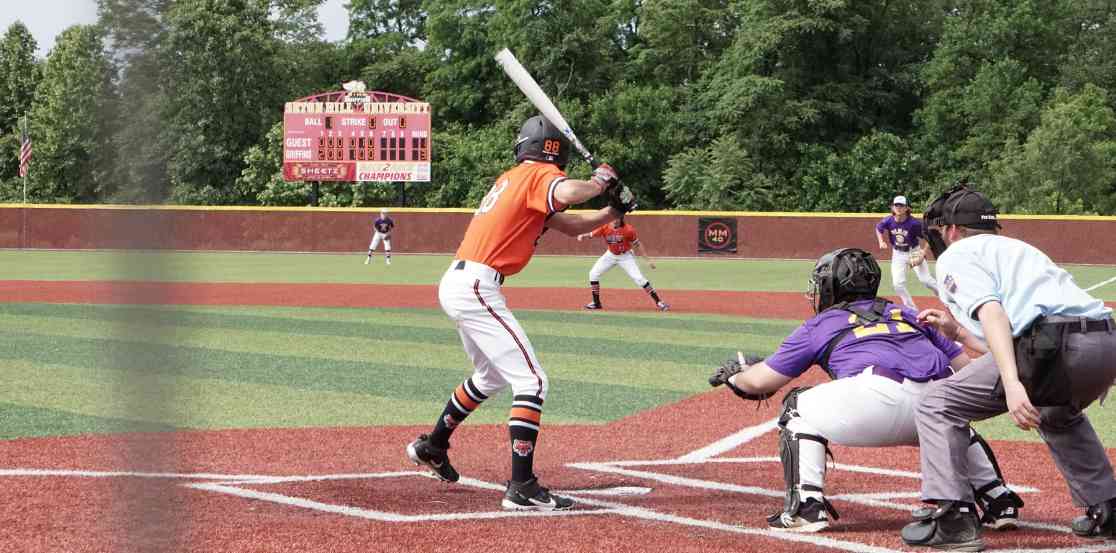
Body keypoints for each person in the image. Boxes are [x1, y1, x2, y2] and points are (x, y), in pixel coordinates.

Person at [405, 115, 636, 511]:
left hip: (463, 282)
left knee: (489, 376)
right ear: (553, 151)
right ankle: (522, 486)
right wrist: (599, 182)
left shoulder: (515, 179)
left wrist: (613, 209)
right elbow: (569, 191)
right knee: (532, 382)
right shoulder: (537, 175)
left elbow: (569, 223)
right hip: (477, 285)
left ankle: (433, 445)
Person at [708, 248, 1024, 534]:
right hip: (934, 406)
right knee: (948, 410)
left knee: (796, 406)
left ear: (831, 287)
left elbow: (760, 383)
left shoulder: (820, 324)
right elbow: (968, 368)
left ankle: (806, 507)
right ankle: (998, 499)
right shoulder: (909, 314)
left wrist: (734, 379)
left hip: (876, 401)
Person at [896, 184, 1116, 551]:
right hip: (1104, 343)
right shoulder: (1021, 249)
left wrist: (1013, 385)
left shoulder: (958, 252)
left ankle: (954, 519)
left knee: (937, 402)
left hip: (1056, 349)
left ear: (951, 230)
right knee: (1056, 411)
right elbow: (1014, 344)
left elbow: (995, 315)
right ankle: (1108, 508)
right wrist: (960, 333)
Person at [576, 216, 668, 311]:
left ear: (621, 219)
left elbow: (638, 244)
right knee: (593, 274)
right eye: (612, 218)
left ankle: (659, 302)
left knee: (639, 279)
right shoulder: (605, 227)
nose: (614, 220)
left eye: (617, 218)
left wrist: (648, 260)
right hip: (610, 255)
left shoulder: (628, 230)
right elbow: (592, 234)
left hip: (625, 257)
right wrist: (583, 236)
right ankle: (596, 303)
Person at [875, 195, 937, 309]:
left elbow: (930, 238)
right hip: (898, 254)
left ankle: (947, 297)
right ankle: (912, 309)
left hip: (914, 251)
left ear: (907, 208)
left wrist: (923, 253)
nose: (898, 207)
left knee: (926, 280)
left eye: (901, 205)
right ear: (892, 207)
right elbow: (878, 228)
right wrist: (881, 241)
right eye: (896, 205)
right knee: (898, 284)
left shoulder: (914, 224)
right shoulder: (888, 220)